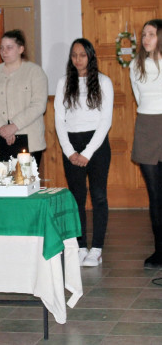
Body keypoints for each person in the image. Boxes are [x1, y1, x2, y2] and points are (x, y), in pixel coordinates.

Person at [54, 39, 113, 267]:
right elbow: (59, 119)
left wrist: (87, 153)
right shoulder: (63, 82)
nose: (78, 59)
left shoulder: (104, 82)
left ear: (90, 56)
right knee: (77, 197)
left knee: (98, 196)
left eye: (82, 55)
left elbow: (105, 120)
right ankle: (80, 247)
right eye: (74, 55)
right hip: (71, 143)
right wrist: (69, 151)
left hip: (96, 145)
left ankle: (96, 249)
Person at [0, 29, 48, 165]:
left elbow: (38, 105)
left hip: (30, 139)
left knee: (26, 177)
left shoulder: (35, 72)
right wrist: (1, 127)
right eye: (2, 48)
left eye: (9, 47)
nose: (4, 52)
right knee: (2, 178)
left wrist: (14, 126)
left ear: (21, 49)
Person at [130, 19, 162, 269]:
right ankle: (160, 250)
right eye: (144, 35)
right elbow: (138, 95)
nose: (146, 38)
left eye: (151, 34)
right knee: (155, 195)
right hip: (146, 126)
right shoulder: (135, 64)